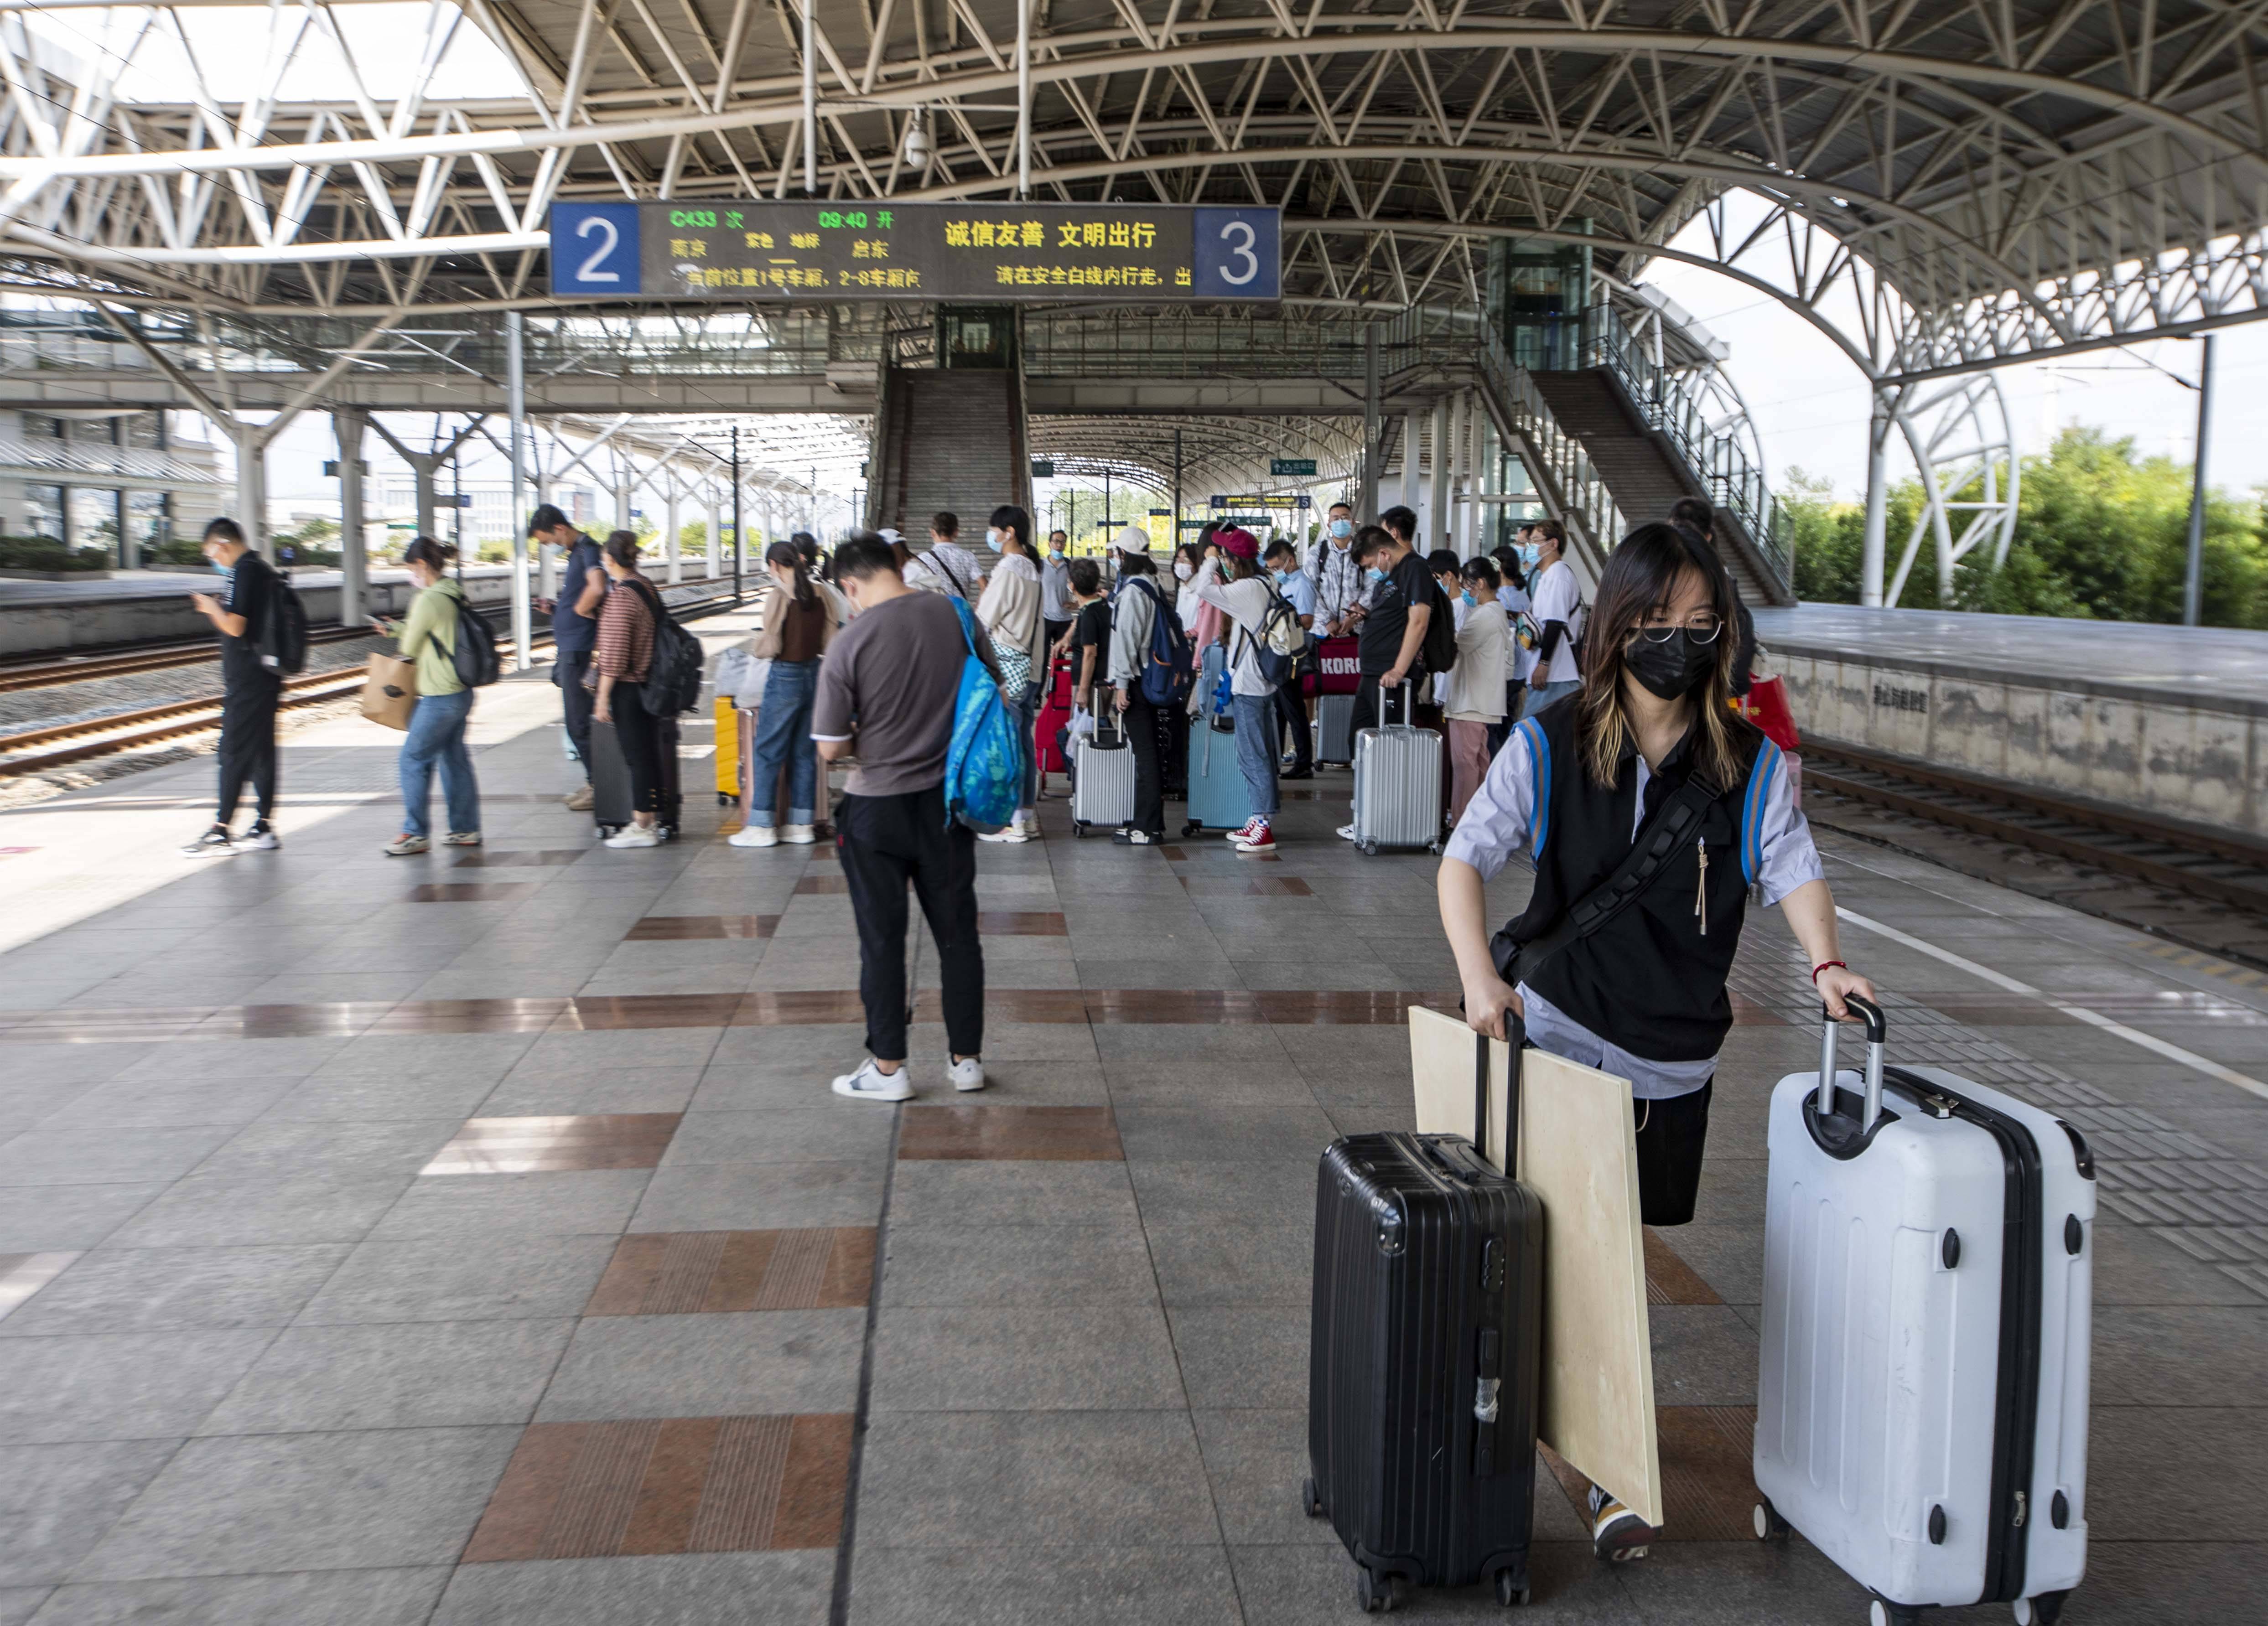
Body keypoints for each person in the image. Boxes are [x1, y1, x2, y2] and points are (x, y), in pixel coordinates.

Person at [1438, 521, 1877, 1563]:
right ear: (1614, 625)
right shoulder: (1549, 740)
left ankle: (1544, 1419)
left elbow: (1791, 866)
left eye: (1698, 624)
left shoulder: (1750, 763)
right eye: (1654, 622)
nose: (1675, 643)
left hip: (1674, 1063)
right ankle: (1594, 1471)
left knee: (1602, 1252)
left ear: (1721, 635)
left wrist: (1825, 964)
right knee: (1583, 1261)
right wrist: (1478, 980)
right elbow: (1463, 863)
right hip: (1558, 1029)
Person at [812, 532, 991, 1103]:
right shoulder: (953, 613)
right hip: (945, 805)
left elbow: (830, 747)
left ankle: (888, 1070)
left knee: (883, 940)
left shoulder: (851, 640)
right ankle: (966, 1062)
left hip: (875, 812)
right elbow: (991, 687)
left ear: (849, 584)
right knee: (959, 936)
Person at [182, 518, 285, 856]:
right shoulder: (262, 569)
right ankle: (263, 827)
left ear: (222, 544)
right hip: (266, 675)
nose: (214, 559)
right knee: (261, 752)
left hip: (248, 680)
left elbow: (236, 626)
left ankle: (221, 830)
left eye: (212, 552)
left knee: (232, 751)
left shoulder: (243, 571)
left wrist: (212, 608)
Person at [372, 536, 481, 855]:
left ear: (421, 565)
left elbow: (410, 648)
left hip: (439, 696)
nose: (411, 576)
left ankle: (414, 833)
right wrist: (396, 628)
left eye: (411, 569)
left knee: (413, 759)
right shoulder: (452, 593)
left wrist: (399, 633)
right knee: (453, 760)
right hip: (460, 692)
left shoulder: (428, 599)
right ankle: (465, 829)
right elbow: (433, 632)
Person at [729, 541, 838, 849]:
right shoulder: (823, 593)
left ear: (775, 566)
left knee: (768, 751)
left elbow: (771, 644)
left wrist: (756, 647)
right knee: (804, 753)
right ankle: (801, 824)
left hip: (785, 676)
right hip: (813, 675)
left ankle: (761, 825)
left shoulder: (780, 596)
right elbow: (831, 639)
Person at [1333, 519, 1436, 843]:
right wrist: (1365, 615)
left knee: (1388, 752)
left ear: (1382, 553)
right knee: (1360, 744)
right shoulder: (1391, 576)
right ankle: (1365, 814)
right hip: (1372, 674)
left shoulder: (1414, 569)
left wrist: (1399, 670)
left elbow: (1419, 622)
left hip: (1392, 678)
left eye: (1368, 565)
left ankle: (1386, 821)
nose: (1370, 571)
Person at [1189, 528, 1287, 854]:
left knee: (1252, 754)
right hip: (1261, 680)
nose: (1223, 564)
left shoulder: (1245, 589)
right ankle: (1258, 817)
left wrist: (1208, 562)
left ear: (1233, 560)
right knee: (1257, 752)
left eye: (1226, 558)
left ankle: (1264, 826)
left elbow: (1201, 590)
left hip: (1249, 684)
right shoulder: (1266, 582)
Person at [972, 504, 1048, 843]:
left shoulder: (1008, 568)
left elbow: (983, 620)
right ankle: (1026, 816)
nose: (991, 536)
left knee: (1007, 744)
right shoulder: (1034, 568)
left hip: (1007, 668)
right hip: (1030, 667)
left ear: (1009, 532)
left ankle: (1009, 821)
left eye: (994, 530)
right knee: (1023, 743)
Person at [591, 531, 671, 849]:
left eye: (604, 559)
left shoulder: (622, 596)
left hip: (628, 688)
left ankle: (642, 824)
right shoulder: (645, 586)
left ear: (610, 560)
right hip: (648, 682)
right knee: (647, 754)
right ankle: (649, 818)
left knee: (637, 757)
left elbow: (614, 656)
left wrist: (601, 698)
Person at [530, 503, 607, 811]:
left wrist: (577, 611)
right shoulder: (577, 552)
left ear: (559, 529)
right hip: (572, 648)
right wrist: (558, 606)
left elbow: (598, 586)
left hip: (579, 650)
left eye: (548, 541)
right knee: (578, 723)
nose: (550, 546)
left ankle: (601, 787)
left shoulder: (588, 549)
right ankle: (595, 783)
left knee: (579, 723)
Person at [1106, 538, 1174, 844]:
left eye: (1116, 552)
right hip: (1153, 677)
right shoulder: (1152, 584)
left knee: (1145, 754)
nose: (1114, 557)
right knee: (1151, 752)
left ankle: (1145, 828)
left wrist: (1121, 685)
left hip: (1136, 679)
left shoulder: (1134, 591)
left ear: (1124, 555)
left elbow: (1127, 642)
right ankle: (1150, 823)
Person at [1667, 496, 1757, 695]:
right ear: (1708, 536)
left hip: (1696, 697)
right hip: (1714, 693)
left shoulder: (1659, 576)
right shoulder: (1723, 579)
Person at [1444, 557, 1510, 823]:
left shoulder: (1486, 615)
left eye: (1466, 586)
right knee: (1479, 762)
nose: (1465, 592)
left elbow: (1456, 645)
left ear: (1480, 584)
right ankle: (1478, 822)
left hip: (1471, 703)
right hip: (1482, 701)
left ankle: (1462, 823)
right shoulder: (1495, 611)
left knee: (1465, 766)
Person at [1264, 537, 1317, 780]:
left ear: (1290, 561)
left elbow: (1307, 620)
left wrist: (1284, 617)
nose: (1276, 572)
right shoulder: (1284, 585)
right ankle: (1276, 759)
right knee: (1280, 710)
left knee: (1294, 709)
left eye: (1277, 567)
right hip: (1281, 653)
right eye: (1272, 569)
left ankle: (1304, 762)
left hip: (1292, 655)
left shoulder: (1303, 584)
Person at [1526, 519, 1583, 714]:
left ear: (1553, 544)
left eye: (1535, 541)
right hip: (1551, 676)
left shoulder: (1558, 574)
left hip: (1556, 676)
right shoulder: (1547, 576)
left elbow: (1555, 622)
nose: (1529, 547)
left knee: (1531, 737)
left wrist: (1544, 664)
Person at [1309, 502, 1364, 639]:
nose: (1341, 521)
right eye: (1336, 518)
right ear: (1329, 525)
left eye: (1345, 518)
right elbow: (1310, 589)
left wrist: (1355, 618)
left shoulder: (1364, 552)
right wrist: (1327, 620)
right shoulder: (1317, 552)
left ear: (1352, 523)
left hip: (1357, 632)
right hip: (1322, 632)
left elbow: (1371, 588)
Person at [905, 511, 981, 598]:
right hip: (961, 610)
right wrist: (977, 608)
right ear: (956, 532)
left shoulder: (922, 559)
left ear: (933, 533)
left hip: (936, 609)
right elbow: (984, 586)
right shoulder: (968, 557)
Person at [1040, 528, 1075, 658]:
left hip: (1064, 620)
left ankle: (1057, 680)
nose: (1059, 545)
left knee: (1060, 657)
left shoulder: (1070, 566)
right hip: (1045, 618)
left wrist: (1074, 603)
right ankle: (1040, 680)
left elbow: (1076, 589)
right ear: (1049, 544)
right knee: (1042, 656)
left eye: (1063, 542)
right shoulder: (1041, 565)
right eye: (1056, 541)